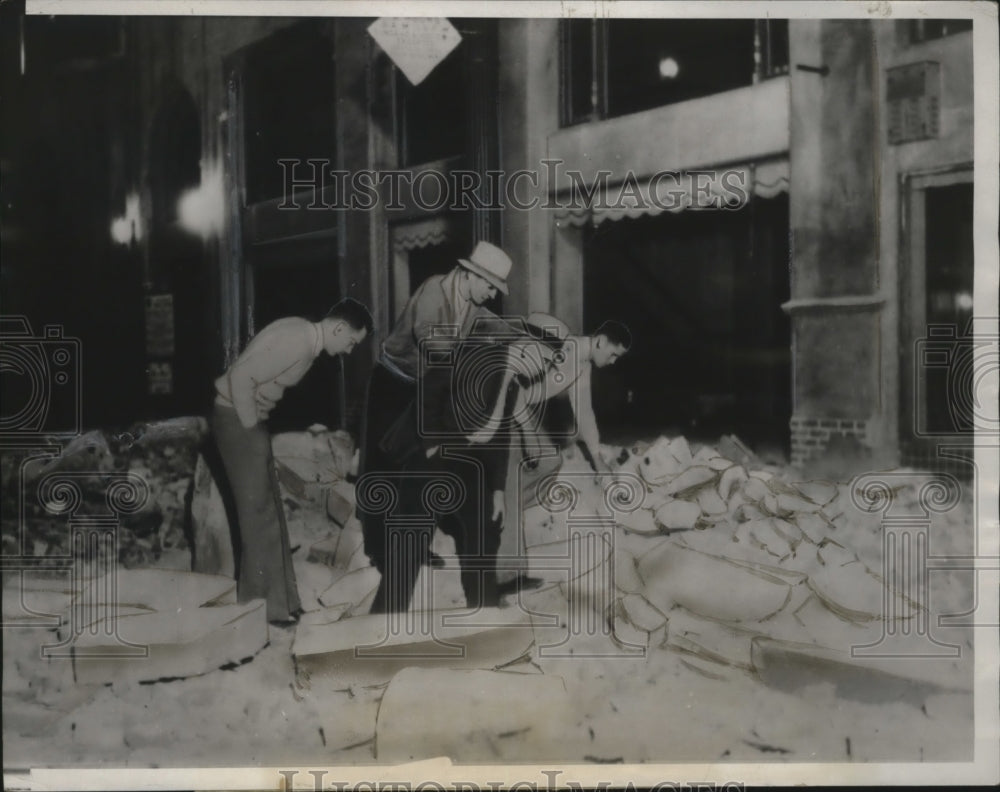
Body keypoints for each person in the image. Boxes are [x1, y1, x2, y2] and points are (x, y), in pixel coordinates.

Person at [358, 241, 516, 582]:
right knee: (384, 466)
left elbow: (492, 324)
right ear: (472, 274)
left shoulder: (473, 304)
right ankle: (379, 549)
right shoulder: (434, 290)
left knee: (416, 468)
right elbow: (432, 342)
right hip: (393, 383)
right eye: (490, 286)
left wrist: (522, 337)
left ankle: (412, 543)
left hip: (423, 386)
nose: (492, 294)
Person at [212, 298, 374, 625]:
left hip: (247, 419)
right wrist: (250, 429)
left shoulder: (303, 334)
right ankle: (262, 609)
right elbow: (240, 376)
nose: (349, 350)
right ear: (340, 328)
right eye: (351, 342)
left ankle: (282, 601)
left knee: (270, 510)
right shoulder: (298, 341)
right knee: (258, 516)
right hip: (237, 420)